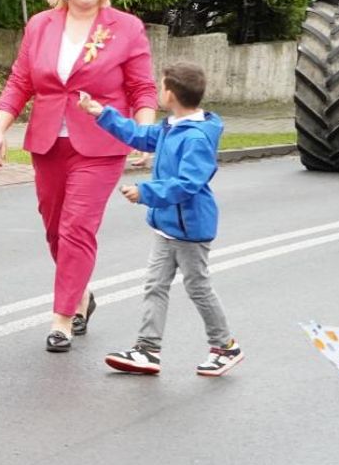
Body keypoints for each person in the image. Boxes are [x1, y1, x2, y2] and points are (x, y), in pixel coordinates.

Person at [0, 0, 157, 353]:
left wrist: (144, 132)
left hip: (100, 143)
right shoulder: (41, 25)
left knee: (76, 227)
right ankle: (80, 293)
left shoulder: (126, 27)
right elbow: (20, 81)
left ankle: (62, 320)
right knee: (53, 228)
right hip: (48, 141)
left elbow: (142, 87)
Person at [79, 62, 244, 377]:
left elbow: (188, 184)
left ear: (170, 94)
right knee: (155, 285)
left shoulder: (195, 137)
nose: (158, 90)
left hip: (190, 228)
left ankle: (225, 347)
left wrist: (146, 192)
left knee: (198, 287)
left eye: (161, 85)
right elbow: (140, 135)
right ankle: (147, 350)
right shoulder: (172, 126)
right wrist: (101, 113)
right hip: (167, 226)